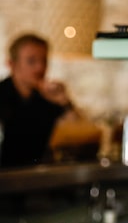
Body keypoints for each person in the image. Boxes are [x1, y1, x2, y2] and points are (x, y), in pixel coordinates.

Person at [0, 33, 77, 167]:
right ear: (11, 64)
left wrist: (64, 101)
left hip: (37, 176)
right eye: (31, 61)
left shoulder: (48, 98)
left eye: (44, 61)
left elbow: (78, 134)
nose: (40, 68)